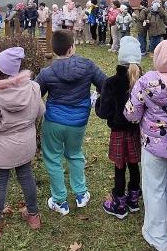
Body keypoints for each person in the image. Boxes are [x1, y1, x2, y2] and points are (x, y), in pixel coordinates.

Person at [124, 39, 167, 251]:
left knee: (153, 187)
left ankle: (157, 236)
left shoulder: (147, 81)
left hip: (152, 144)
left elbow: (131, 113)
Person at [35, 29, 107, 215]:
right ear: (72, 47)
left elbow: (34, 96)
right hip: (78, 122)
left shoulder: (46, 72)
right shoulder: (88, 66)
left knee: (52, 158)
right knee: (75, 154)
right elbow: (105, 85)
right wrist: (95, 98)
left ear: (54, 48)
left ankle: (59, 200)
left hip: (54, 121)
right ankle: (81, 194)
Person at [0, 47, 45, 239]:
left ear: (0, 70)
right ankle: (33, 216)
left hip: (3, 148)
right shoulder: (33, 87)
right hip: (26, 143)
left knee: (0, 183)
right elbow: (40, 111)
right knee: (26, 176)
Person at [96, 37, 143, 219]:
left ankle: (119, 203)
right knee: (134, 165)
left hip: (118, 133)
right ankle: (133, 199)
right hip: (136, 132)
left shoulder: (111, 82)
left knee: (119, 167)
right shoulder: (144, 80)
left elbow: (103, 111)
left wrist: (99, 100)